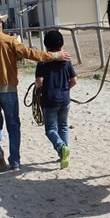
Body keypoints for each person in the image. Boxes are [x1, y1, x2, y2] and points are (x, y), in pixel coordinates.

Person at [0, 6, 71, 172]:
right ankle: (14, 161)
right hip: (8, 88)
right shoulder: (10, 40)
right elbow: (30, 54)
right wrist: (55, 56)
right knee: (13, 125)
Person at [34, 30, 77, 169]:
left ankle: (61, 148)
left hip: (49, 100)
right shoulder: (66, 60)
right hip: (65, 99)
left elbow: (39, 81)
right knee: (63, 125)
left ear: (46, 46)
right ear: (61, 45)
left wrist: (36, 88)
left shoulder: (43, 62)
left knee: (50, 129)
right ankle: (65, 154)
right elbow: (74, 81)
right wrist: (65, 90)